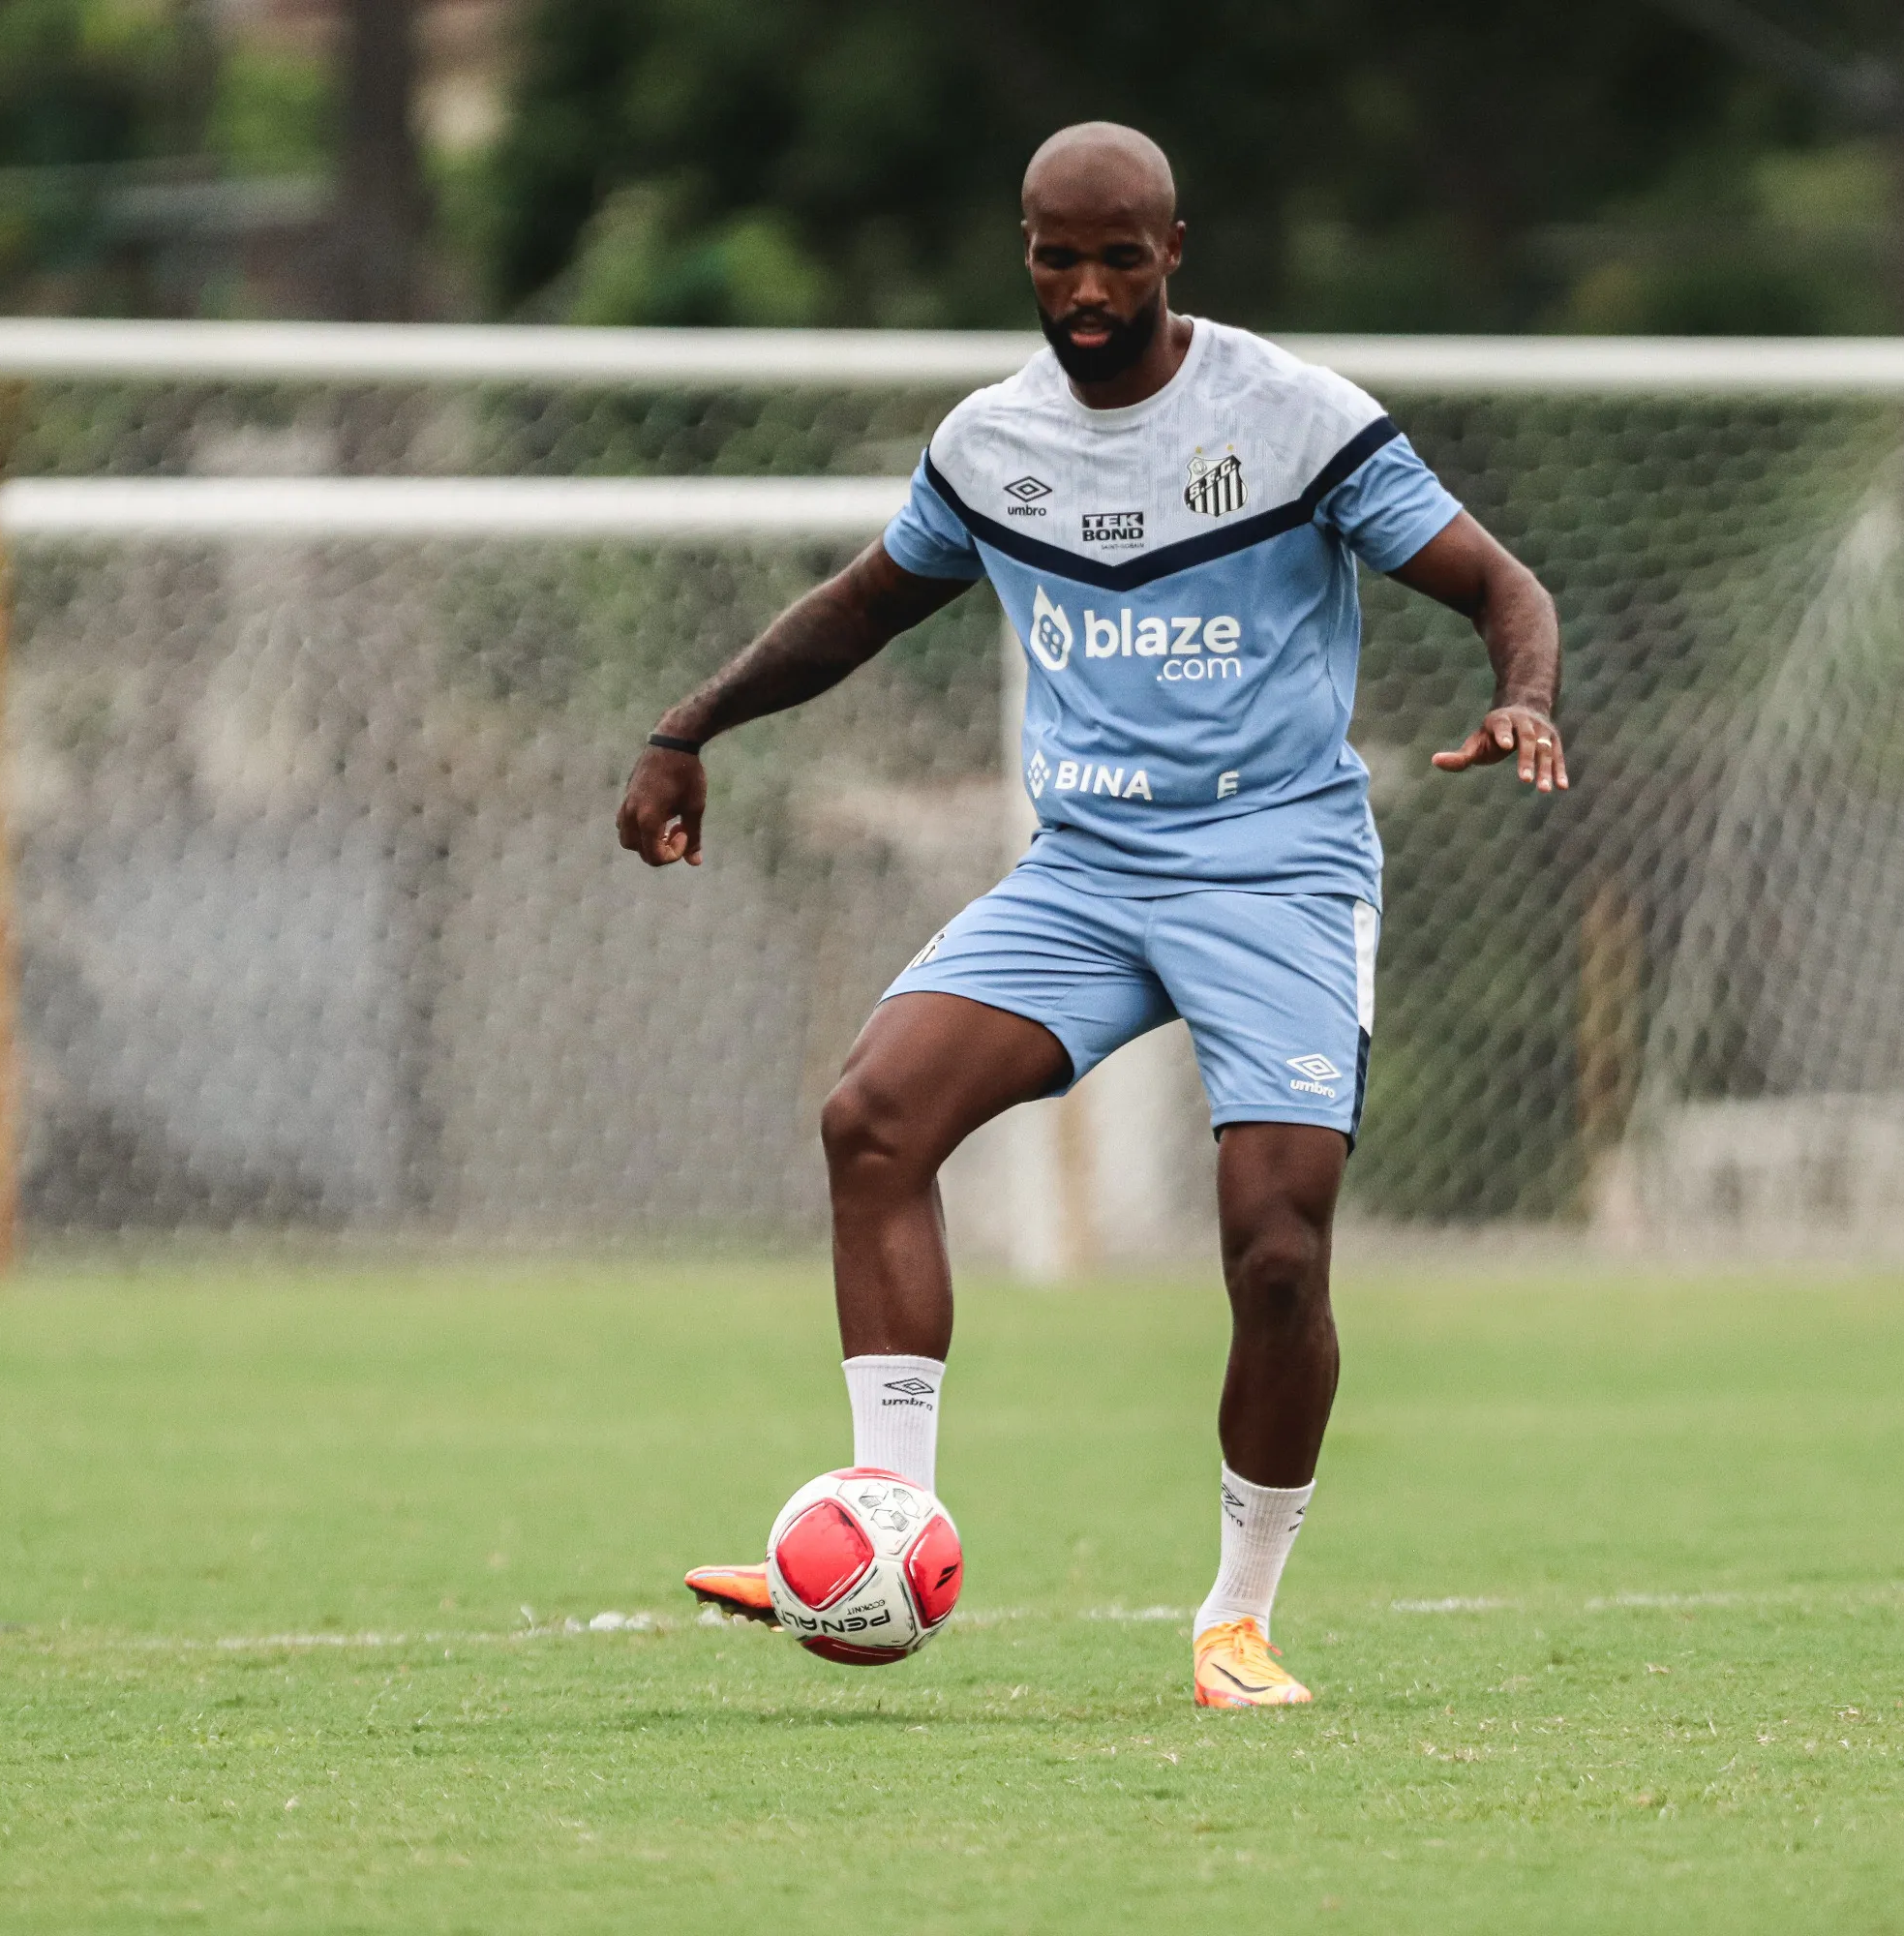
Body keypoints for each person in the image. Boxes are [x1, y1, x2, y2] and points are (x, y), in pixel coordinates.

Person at [618, 122, 1566, 1708]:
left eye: (1119, 256)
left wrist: (1524, 693)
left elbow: (1498, 583)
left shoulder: (1295, 418)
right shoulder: (992, 444)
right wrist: (683, 730)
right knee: (873, 1120)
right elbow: (864, 605)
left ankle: (1237, 1618)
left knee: (1275, 1253)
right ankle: (882, 1518)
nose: (1085, 287)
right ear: (1028, 254)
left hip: (1277, 868)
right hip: (1089, 873)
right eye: (1057, 256)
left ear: (1175, 251)